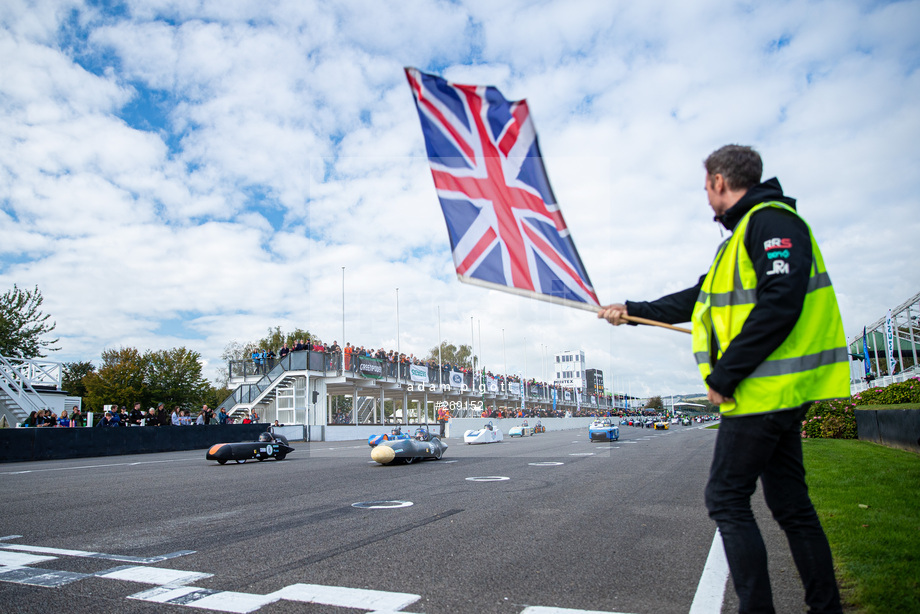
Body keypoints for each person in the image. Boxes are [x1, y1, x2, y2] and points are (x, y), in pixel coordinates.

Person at [598, 145, 848, 614]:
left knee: (726, 498)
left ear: (718, 181)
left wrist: (726, 376)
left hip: (762, 392)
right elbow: (694, 299)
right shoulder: (738, 240)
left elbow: (781, 302)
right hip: (775, 391)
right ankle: (826, 607)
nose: (707, 197)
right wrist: (630, 312)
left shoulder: (771, 222)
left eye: (706, 187)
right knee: (790, 504)